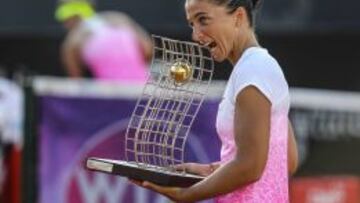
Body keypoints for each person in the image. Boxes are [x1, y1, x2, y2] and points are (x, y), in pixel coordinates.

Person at [131, 0, 299, 202]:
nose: (196, 35)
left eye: (203, 19)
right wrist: (209, 170)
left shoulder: (252, 71)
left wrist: (187, 195)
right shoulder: (259, 67)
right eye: (192, 24)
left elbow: (251, 166)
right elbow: (286, 160)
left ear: (238, 17)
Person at [55, 0, 153, 81]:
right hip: (147, 91)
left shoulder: (70, 43)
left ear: (68, 18)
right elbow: (148, 49)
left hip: (113, 98)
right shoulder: (120, 18)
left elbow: (76, 84)